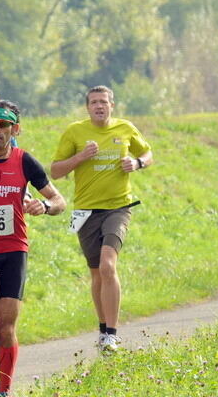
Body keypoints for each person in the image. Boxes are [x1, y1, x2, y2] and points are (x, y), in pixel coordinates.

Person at [0, 100, 65, 397]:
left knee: (7, 327)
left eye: (3, 125)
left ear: (15, 129)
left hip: (12, 250)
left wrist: (43, 206)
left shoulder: (24, 161)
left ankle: (4, 393)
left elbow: (59, 201)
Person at [51, 86, 152, 351]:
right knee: (96, 273)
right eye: (94, 102)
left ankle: (112, 333)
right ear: (87, 107)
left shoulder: (125, 128)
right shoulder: (75, 132)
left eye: (104, 102)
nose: (99, 106)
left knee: (108, 265)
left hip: (119, 207)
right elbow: (55, 171)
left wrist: (137, 164)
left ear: (112, 105)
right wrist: (80, 157)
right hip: (85, 210)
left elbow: (147, 154)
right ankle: (103, 327)